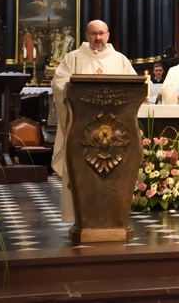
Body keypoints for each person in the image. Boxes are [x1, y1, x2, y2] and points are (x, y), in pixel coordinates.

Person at [51, 20, 137, 222]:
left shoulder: (120, 60)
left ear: (108, 34)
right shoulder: (74, 58)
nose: (97, 38)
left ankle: (114, 217)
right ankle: (82, 217)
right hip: (83, 131)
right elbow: (59, 83)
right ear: (87, 35)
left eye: (101, 33)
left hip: (116, 133)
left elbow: (135, 87)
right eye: (93, 34)